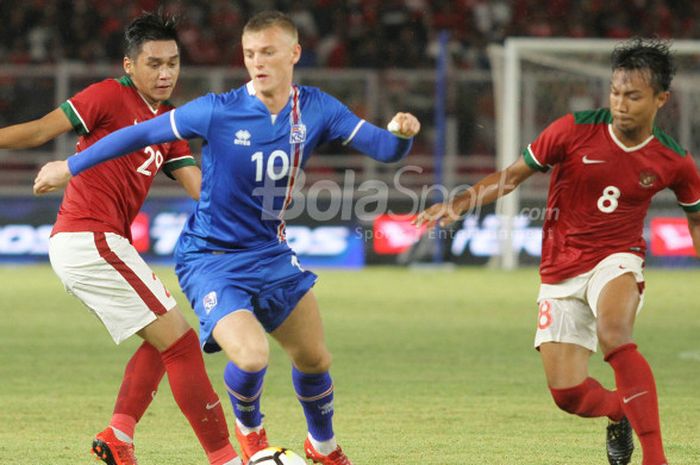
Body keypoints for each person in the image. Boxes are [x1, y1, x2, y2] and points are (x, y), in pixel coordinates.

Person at [33, 10, 421, 465]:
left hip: (271, 253)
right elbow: (137, 135)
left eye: (269, 52)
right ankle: (251, 440)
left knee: (315, 359)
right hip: (211, 258)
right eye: (250, 53)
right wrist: (69, 166)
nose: (258, 62)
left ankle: (324, 446)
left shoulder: (317, 108)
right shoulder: (217, 110)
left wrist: (401, 134)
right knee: (252, 356)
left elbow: (385, 149)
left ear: (294, 53)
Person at [415, 38, 700, 465]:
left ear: (661, 99)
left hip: (617, 258)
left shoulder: (673, 160)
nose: (621, 104)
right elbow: (511, 176)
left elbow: (695, 217)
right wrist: (458, 203)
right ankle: (620, 412)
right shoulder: (572, 129)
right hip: (560, 266)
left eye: (633, 96)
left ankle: (655, 458)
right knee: (567, 394)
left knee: (615, 336)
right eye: (615, 92)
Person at [1, 11, 241, 465]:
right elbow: (36, 132)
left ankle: (117, 435)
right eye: (154, 63)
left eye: (172, 62)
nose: (166, 72)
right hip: (88, 238)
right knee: (183, 344)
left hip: (101, 242)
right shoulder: (107, 96)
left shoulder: (169, 124)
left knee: (163, 337)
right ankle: (226, 458)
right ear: (130, 65)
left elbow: (201, 192)